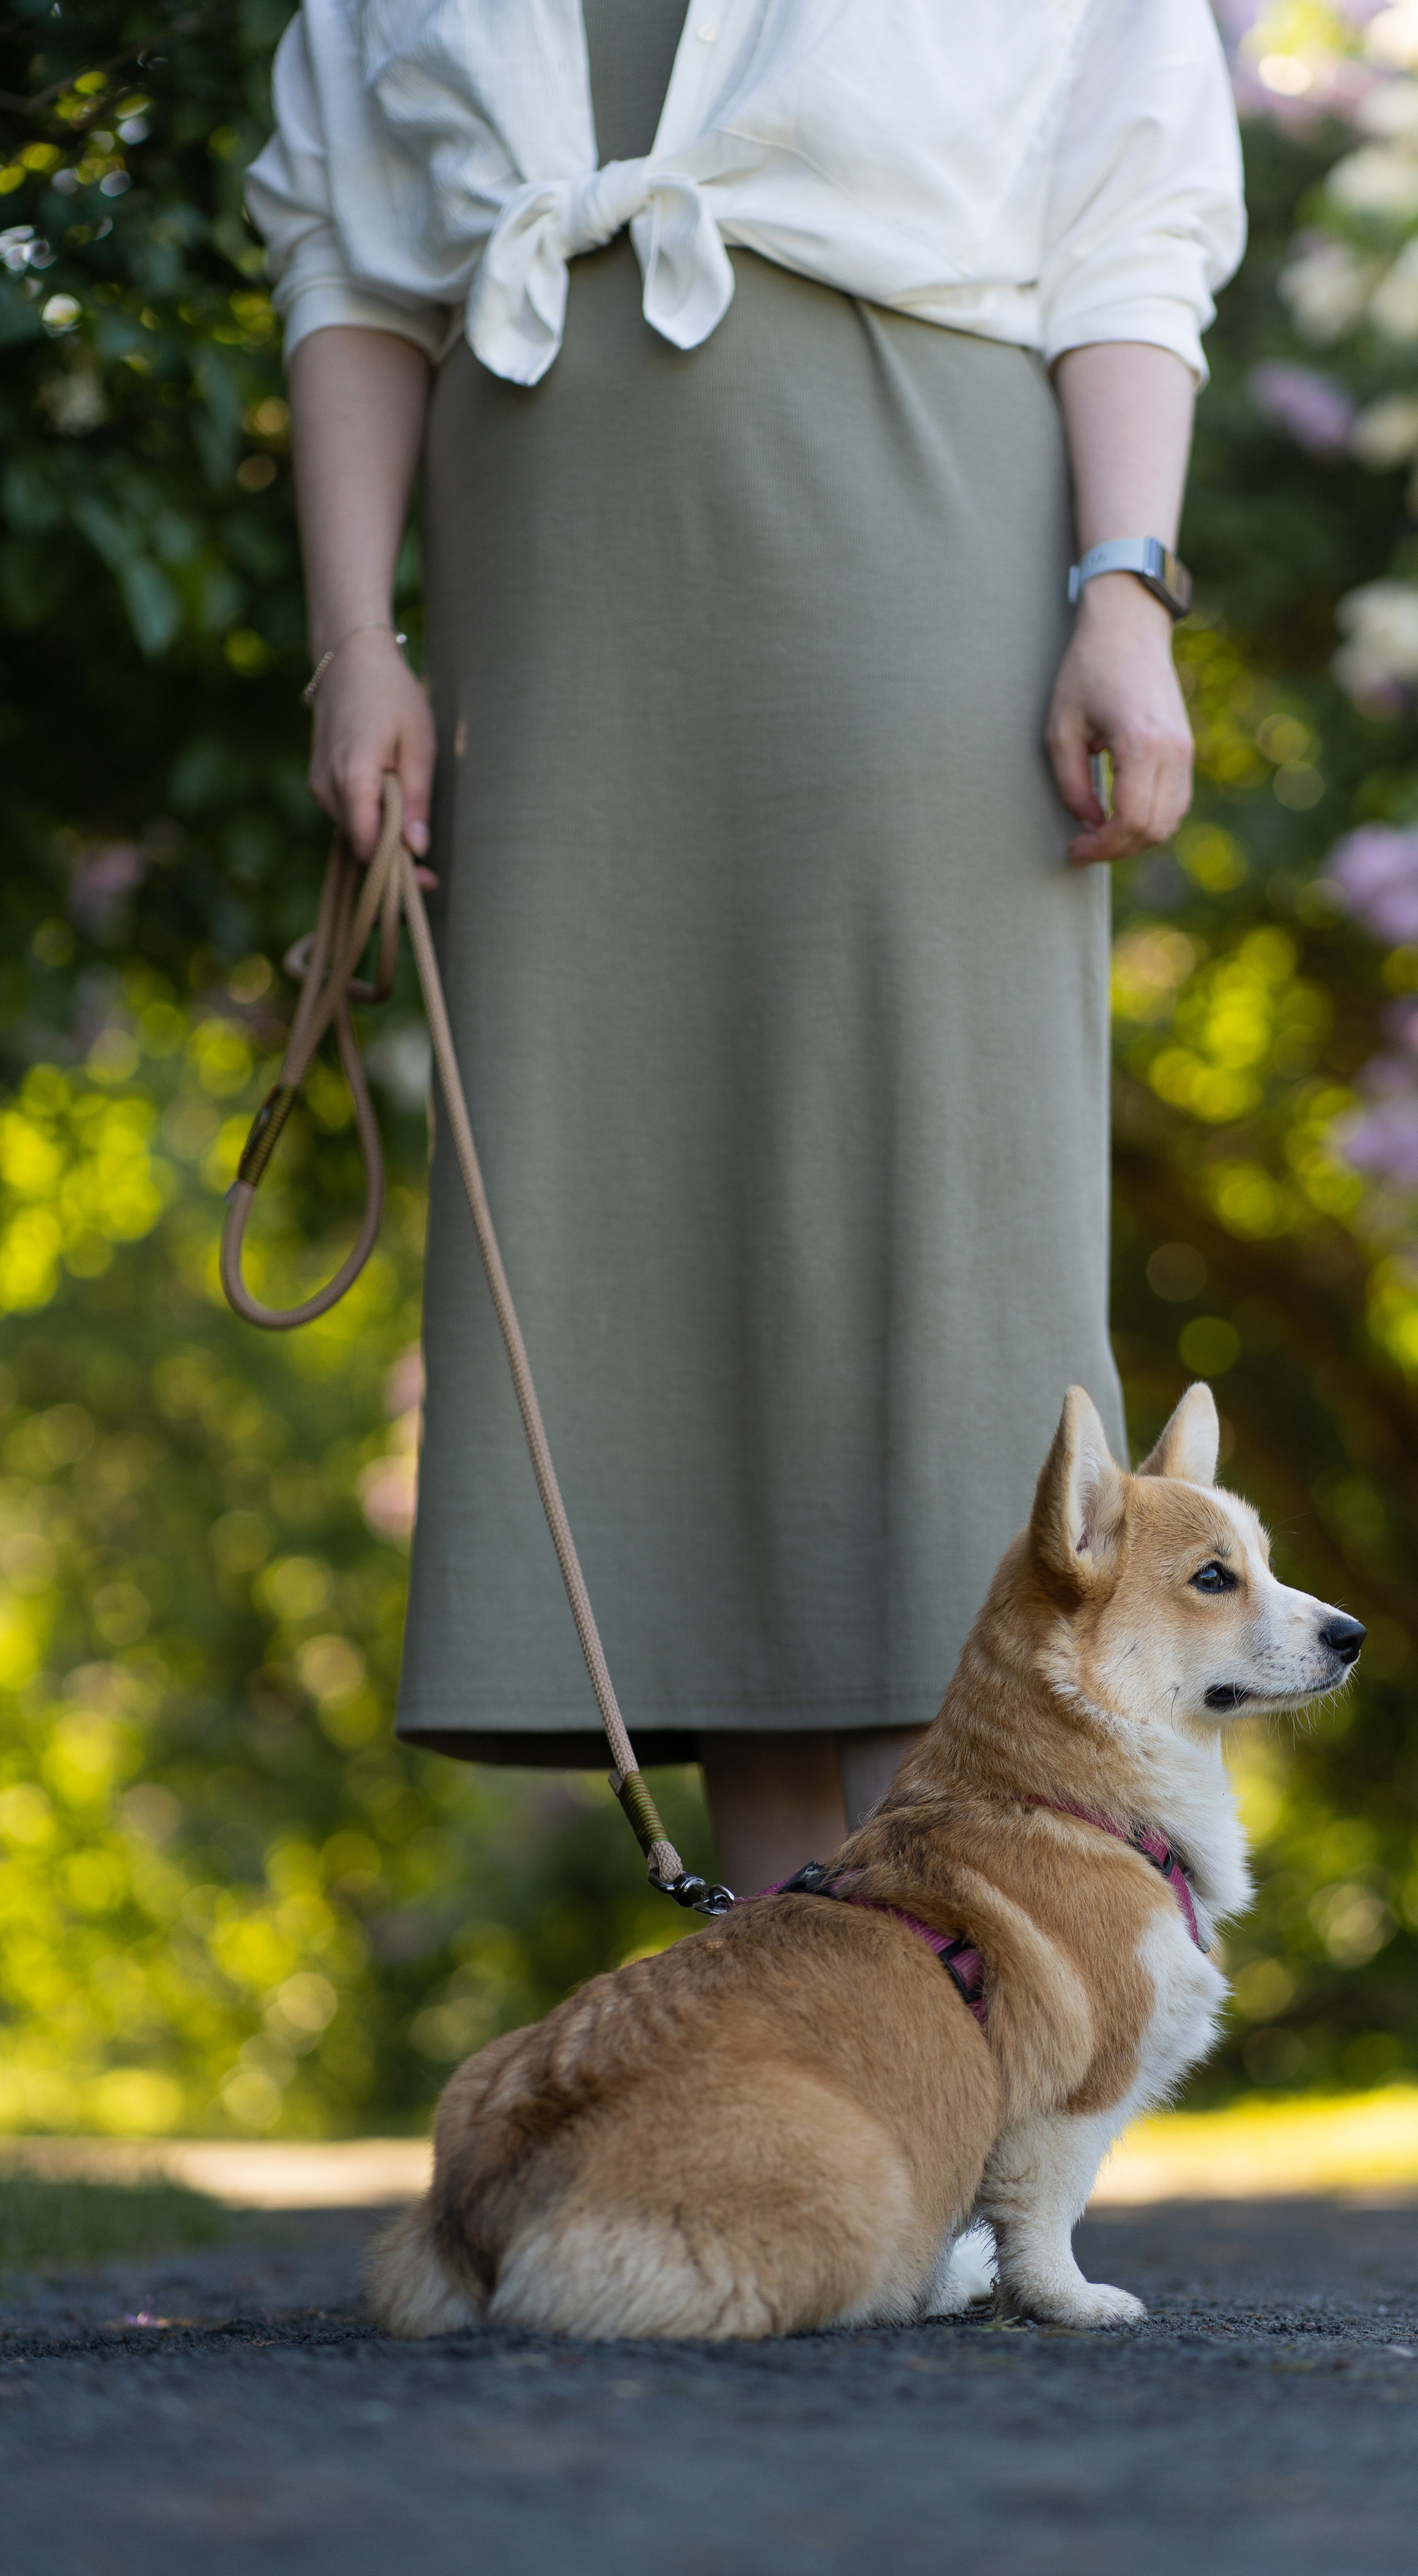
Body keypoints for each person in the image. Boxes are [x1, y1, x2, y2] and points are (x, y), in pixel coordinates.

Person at [246, 1, 1244, 1894]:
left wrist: (1129, 588)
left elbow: (1130, 214)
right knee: (671, 1289)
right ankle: (811, 2076)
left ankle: (984, 2030)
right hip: (558, 612)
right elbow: (349, 256)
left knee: (940, 1254)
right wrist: (357, 641)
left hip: (912, 559)